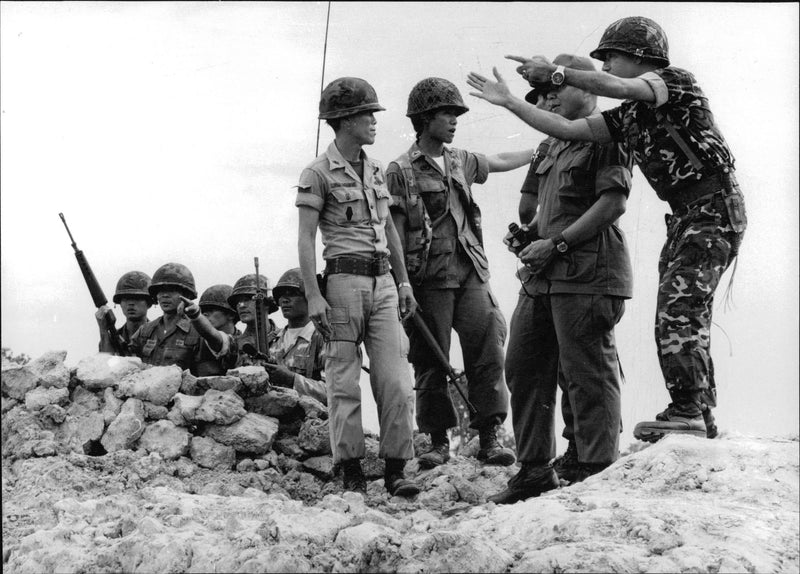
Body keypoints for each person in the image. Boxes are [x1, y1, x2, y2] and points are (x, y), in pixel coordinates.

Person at [467, 16, 746, 442]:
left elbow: (622, 88)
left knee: (680, 309)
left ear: (640, 56)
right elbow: (563, 128)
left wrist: (557, 73)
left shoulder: (673, 82)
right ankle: (697, 411)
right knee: (680, 310)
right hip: (687, 215)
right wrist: (509, 102)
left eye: (611, 57)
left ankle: (689, 410)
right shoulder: (627, 119)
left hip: (712, 210)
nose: (606, 67)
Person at [486, 54, 634, 505]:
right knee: (524, 365)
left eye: (557, 89)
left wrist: (558, 243)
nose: (550, 98)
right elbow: (534, 208)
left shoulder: (608, 132)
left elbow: (613, 203)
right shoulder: (551, 143)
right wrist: (532, 237)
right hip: (544, 275)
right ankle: (533, 469)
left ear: (586, 88)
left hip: (588, 273)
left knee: (586, 374)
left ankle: (594, 467)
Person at [387, 77, 535, 469]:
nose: (454, 120)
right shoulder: (399, 171)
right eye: (445, 113)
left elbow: (498, 162)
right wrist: (403, 283)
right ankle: (437, 441)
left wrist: (538, 152)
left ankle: (489, 436)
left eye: (456, 113)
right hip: (428, 278)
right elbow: (395, 236)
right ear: (423, 118)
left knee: (487, 351)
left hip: (470, 272)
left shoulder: (460, 160)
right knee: (431, 360)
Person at [296, 77, 420, 497]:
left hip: (383, 280)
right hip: (343, 283)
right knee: (344, 380)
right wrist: (313, 294)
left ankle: (396, 470)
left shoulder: (376, 169)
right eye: (367, 114)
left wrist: (403, 281)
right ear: (345, 120)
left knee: (396, 380)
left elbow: (388, 229)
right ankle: (350, 471)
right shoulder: (317, 172)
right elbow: (306, 237)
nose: (373, 121)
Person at [127, 262, 204, 374]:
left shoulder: (197, 332)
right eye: (161, 291)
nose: (165, 295)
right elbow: (128, 364)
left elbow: (205, 377)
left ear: (186, 295)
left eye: (171, 290)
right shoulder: (145, 330)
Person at [266, 268, 327, 405]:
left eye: (293, 294)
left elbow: (333, 392)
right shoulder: (272, 340)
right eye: (281, 295)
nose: (284, 300)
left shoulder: (323, 338)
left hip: (311, 420)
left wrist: (292, 379)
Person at [182, 284, 240, 377]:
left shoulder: (242, 343)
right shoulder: (197, 341)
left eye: (211, 310)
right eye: (203, 310)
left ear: (231, 314)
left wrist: (195, 315)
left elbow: (213, 336)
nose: (205, 314)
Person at [227, 273, 279, 367]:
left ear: (267, 303)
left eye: (248, 299)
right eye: (238, 301)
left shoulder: (284, 339)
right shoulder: (234, 346)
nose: (241, 305)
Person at [96, 271, 153, 354]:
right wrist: (103, 329)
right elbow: (107, 363)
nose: (130, 303)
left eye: (137, 298)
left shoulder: (158, 335)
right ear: (120, 303)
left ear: (149, 303)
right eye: (125, 299)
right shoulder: (113, 338)